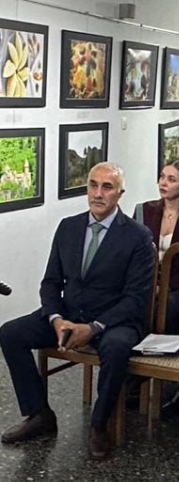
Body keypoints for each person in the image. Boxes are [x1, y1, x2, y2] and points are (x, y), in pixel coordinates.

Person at [0, 162, 155, 460]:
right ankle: (39, 414)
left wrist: (94, 327)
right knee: (10, 333)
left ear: (120, 193)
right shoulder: (68, 227)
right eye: (93, 185)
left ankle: (99, 425)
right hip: (69, 314)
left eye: (106, 187)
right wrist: (56, 319)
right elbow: (50, 283)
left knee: (117, 348)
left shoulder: (137, 236)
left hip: (114, 319)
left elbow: (135, 299)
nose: (98, 194)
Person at [138, 159, 179, 333]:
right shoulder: (145, 211)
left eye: (172, 179)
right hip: (147, 281)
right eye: (162, 177)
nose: (163, 183)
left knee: (170, 304)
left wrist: (163, 287)